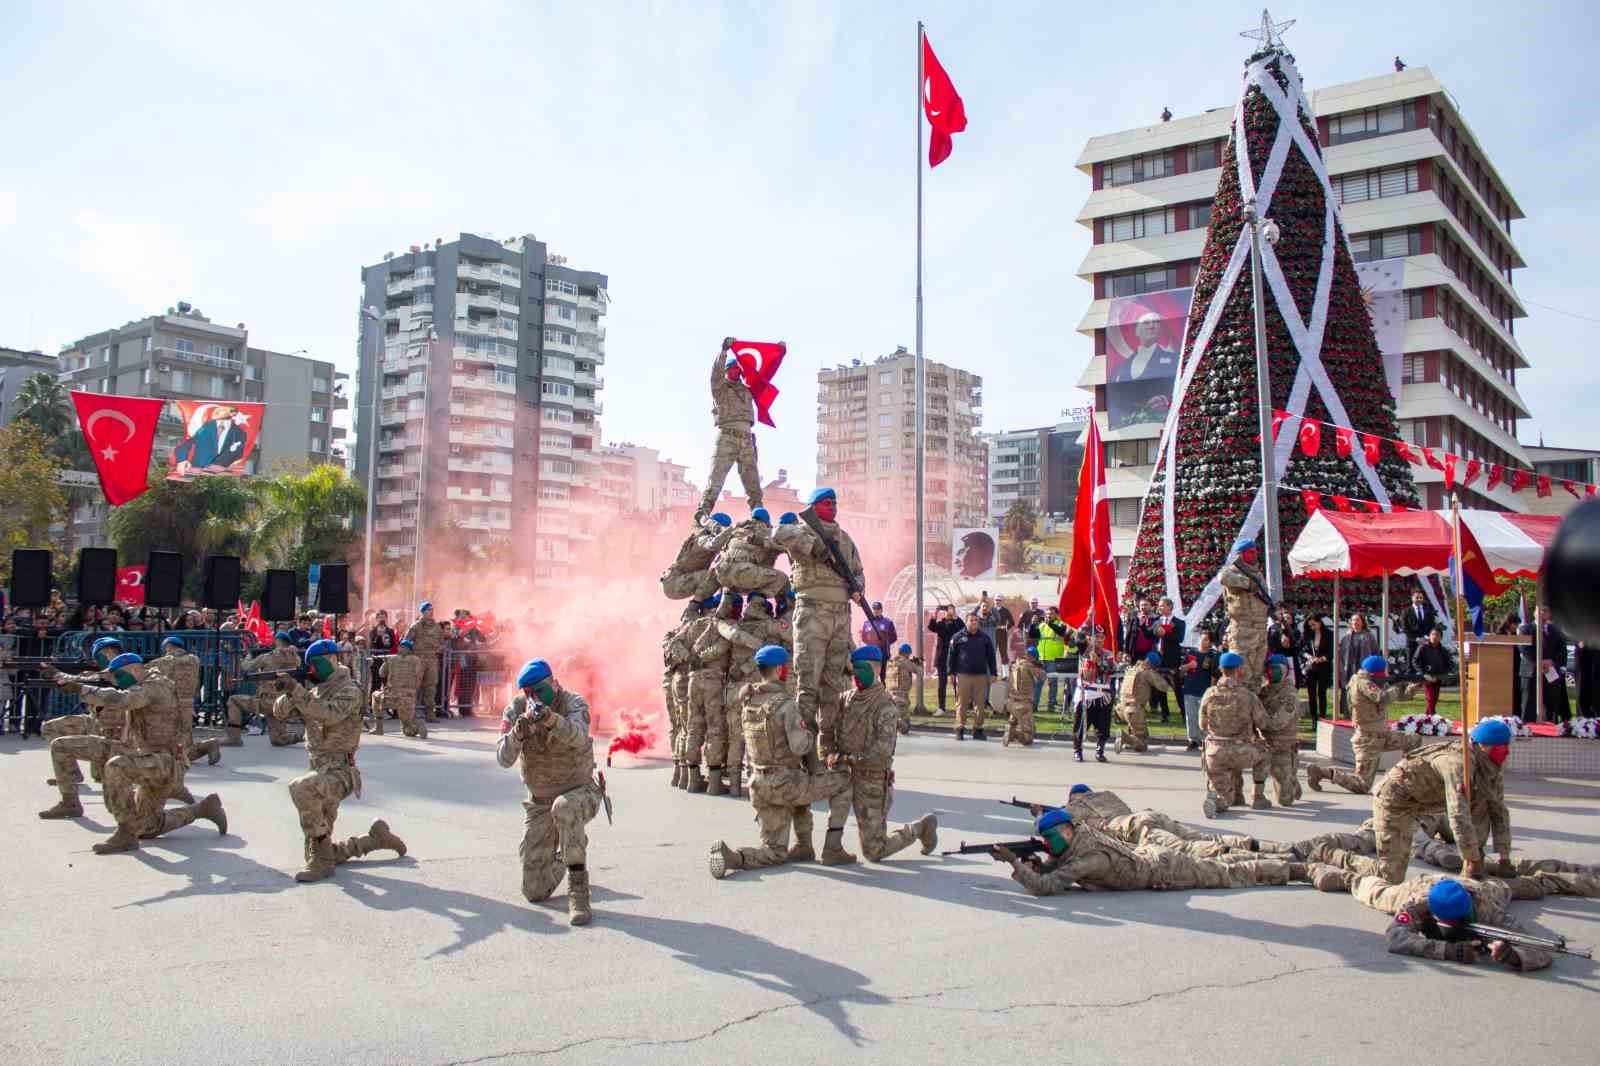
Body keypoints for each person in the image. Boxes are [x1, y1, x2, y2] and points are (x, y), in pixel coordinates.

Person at [54, 653, 228, 852]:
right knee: (62, 745)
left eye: (119, 676)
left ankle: (127, 834)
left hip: (163, 760)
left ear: (135, 670)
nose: (117, 681)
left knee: (117, 768)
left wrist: (83, 690)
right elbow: (110, 688)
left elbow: (126, 700)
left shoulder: (155, 686)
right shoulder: (141, 682)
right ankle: (70, 801)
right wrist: (71, 681)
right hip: (137, 751)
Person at [709, 646, 855, 878]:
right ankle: (833, 848)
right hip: (786, 784)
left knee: (775, 851)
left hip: (759, 784)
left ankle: (735, 857)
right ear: (779, 669)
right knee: (844, 780)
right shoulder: (786, 705)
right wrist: (811, 733)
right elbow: (800, 746)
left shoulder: (749, 701)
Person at [275, 639, 406, 883]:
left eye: (316, 664)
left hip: (340, 771)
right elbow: (280, 712)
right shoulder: (313, 691)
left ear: (333, 659)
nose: (313, 669)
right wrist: (289, 689)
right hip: (316, 768)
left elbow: (328, 714)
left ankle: (323, 862)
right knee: (317, 848)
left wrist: (297, 691)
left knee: (300, 788)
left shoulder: (350, 690)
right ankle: (373, 840)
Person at [496, 658, 603, 926]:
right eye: (528, 692)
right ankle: (567, 853)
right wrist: (517, 735)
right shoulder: (517, 710)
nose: (534, 698)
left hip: (579, 792)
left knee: (564, 809)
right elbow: (503, 759)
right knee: (534, 891)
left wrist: (552, 719)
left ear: (554, 683)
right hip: (540, 800)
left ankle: (578, 890)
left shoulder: (573, 703)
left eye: (539, 690)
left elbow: (579, 737)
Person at [993, 809, 1309, 896]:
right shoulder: (1081, 840)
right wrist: (1035, 864)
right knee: (1222, 859)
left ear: (1065, 832)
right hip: (1152, 856)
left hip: (1165, 869)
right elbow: (1056, 867)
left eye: (1050, 838)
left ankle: (1294, 869)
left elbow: (1049, 887)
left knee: (1230, 873)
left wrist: (1016, 865)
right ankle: (1286, 858)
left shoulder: (1090, 857)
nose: (1049, 845)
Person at [771, 489, 864, 760]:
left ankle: (828, 747)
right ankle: (805, 752)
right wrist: (812, 543)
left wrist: (858, 588)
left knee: (832, 685)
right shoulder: (801, 531)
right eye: (826, 503)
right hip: (812, 614)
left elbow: (857, 571)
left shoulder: (845, 539)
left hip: (840, 616)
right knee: (808, 685)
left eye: (834, 503)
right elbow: (777, 534)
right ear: (813, 507)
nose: (832, 507)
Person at [1364, 720, 1515, 886]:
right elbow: (1458, 813)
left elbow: (1498, 809)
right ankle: (1348, 870)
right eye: (1500, 746)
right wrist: (1470, 857)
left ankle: (1475, 860)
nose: (1506, 752)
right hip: (1395, 801)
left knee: (1483, 802)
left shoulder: (1490, 766)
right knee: (1391, 877)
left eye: (1507, 745)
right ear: (1481, 745)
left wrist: (1504, 857)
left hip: (1427, 802)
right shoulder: (1457, 764)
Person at [826, 646, 938, 862]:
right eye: (853, 669)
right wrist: (830, 752)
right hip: (843, 774)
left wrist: (846, 759)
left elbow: (881, 753)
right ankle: (832, 849)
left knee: (873, 851)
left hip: (872, 780)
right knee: (836, 808)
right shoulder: (846, 698)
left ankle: (920, 828)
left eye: (860, 669)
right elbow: (830, 728)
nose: (855, 674)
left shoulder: (885, 705)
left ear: (875, 670)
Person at [711, 591, 791, 798]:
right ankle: (757, 784)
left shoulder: (735, 627)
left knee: (736, 737)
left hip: (737, 689)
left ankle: (736, 785)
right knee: (761, 737)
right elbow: (792, 638)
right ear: (765, 606)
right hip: (761, 690)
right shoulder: (771, 627)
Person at [1307, 656, 1420, 795]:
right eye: (1383, 671)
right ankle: (1322, 773)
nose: (1386, 673)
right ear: (1376, 672)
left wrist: (1414, 686)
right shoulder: (1363, 683)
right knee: (1362, 785)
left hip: (1382, 735)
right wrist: (1396, 687)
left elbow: (1396, 696)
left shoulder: (1371, 682)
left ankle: (1406, 779)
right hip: (1368, 739)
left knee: (1413, 740)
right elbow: (1383, 698)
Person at [696, 341, 764, 519]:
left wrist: (779, 353)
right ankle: (702, 513)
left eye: (738, 368)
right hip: (728, 436)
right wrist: (723, 351)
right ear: (727, 371)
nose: (736, 371)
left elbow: (765, 375)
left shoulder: (747, 390)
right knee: (716, 479)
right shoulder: (720, 389)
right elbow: (715, 374)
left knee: (753, 483)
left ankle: (759, 516)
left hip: (746, 439)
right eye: (732, 368)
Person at [1199, 651, 1270, 817]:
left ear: (1220, 669)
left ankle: (1218, 800)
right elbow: (1263, 723)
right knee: (1265, 753)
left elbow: (1202, 725)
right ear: (1239, 670)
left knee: (1224, 797)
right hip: (1241, 752)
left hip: (1214, 754)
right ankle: (1258, 798)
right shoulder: (1247, 696)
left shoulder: (1209, 694)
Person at [688, 594, 740, 795]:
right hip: (714, 680)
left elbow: (677, 645)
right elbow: (728, 646)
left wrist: (693, 658)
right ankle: (714, 782)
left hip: (694, 679)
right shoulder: (725, 625)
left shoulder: (696, 624)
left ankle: (692, 779)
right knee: (715, 729)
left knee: (694, 726)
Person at [149, 635, 221, 772]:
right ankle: (208, 745)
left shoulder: (164, 661)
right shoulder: (194, 659)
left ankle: (207, 746)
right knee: (185, 735)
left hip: (172, 702)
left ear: (168, 647)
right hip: (188, 702)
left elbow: (143, 672)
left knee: (175, 742)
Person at [223, 632, 304, 747]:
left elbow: (247, 667)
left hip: (267, 701)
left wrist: (248, 656)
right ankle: (297, 736)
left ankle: (233, 737)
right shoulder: (296, 658)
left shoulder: (267, 657)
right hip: (284, 703)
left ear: (277, 641)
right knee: (277, 740)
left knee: (233, 700)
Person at [1219, 537, 1272, 688]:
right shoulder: (1232, 571)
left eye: (1255, 551)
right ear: (1241, 554)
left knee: (1257, 672)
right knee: (1241, 672)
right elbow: (1223, 577)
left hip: (1260, 628)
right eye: (1251, 552)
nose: (1255, 554)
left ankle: (1253, 705)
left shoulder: (1257, 574)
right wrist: (1247, 584)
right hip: (1243, 629)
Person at [660, 605, 699, 788]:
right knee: (688, 727)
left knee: (677, 727)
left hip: (672, 681)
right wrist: (691, 659)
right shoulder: (696, 630)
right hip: (685, 681)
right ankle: (687, 775)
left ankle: (679, 771)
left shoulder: (671, 635)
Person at [712, 508, 788, 599]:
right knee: (781, 578)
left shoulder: (735, 530)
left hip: (722, 573)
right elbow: (779, 547)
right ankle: (754, 606)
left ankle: (722, 610)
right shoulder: (766, 532)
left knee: (730, 588)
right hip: (742, 573)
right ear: (766, 521)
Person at [946, 610, 998, 741]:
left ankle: (978, 730)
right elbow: (951, 656)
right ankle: (960, 728)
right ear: (966, 622)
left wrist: (993, 673)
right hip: (963, 675)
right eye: (972, 620)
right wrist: (950, 672)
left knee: (980, 704)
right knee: (962, 703)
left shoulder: (984, 638)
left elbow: (991, 656)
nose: (974, 623)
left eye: (976, 621)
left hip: (980, 676)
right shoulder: (957, 637)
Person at [1258, 654, 1301, 807]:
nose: (1271, 673)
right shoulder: (1263, 691)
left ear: (1284, 671)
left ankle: (1291, 780)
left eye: (1275, 669)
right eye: (1269, 669)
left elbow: (1278, 722)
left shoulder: (1289, 695)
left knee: (1285, 800)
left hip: (1283, 746)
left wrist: (1259, 721)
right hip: (1264, 743)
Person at [663, 513, 736, 601]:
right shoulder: (702, 539)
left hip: (678, 580)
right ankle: (695, 606)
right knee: (714, 575)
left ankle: (709, 604)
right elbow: (713, 544)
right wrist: (730, 531)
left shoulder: (702, 533)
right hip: (674, 584)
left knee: (719, 573)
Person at [1519, 605, 1571, 723]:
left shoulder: (1556, 630)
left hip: (1551, 671)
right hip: (1531, 672)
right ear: (1534, 613)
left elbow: (1562, 650)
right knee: (1529, 702)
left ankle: (1552, 727)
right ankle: (1527, 727)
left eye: (1545, 610)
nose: (1542, 613)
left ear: (1550, 613)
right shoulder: (1525, 629)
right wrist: (1539, 662)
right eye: (1540, 610)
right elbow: (1524, 649)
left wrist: (1552, 662)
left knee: (1552, 701)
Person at [1114, 650, 1171, 754]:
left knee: (1143, 733)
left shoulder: (1133, 669)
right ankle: (1125, 738)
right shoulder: (1147, 672)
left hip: (1121, 708)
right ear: (1153, 665)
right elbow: (1164, 687)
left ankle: (1130, 740)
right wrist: (1162, 676)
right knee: (1142, 745)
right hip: (1134, 710)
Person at [1073, 632, 1115, 763]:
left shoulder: (1108, 654)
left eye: (1101, 638)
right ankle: (1078, 751)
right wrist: (1089, 617)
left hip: (1102, 694)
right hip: (1086, 694)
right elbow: (1077, 639)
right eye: (1096, 637)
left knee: (1103, 726)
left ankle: (1100, 750)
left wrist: (1099, 662)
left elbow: (1111, 670)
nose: (1098, 640)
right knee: (1081, 724)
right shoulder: (1084, 652)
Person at [372, 639, 427, 738]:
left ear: (399, 648)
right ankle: (417, 727)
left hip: (391, 696)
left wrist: (385, 662)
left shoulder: (392, 659)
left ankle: (378, 727)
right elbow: (419, 677)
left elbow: (381, 673)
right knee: (407, 729)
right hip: (408, 698)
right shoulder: (416, 660)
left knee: (375, 696)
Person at [404, 602, 446, 722]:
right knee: (414, 687)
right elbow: (406, 642)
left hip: (432, 660)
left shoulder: (437, 627)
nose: (431, 612)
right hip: (418, 659)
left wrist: (440, 648)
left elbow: (442, 641)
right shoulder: (416, 626)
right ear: (423, 612)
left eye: (432, 610)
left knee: (431, 687)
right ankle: (409, 713)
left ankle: (430, 714)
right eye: (428, 610)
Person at [1179, 631, 1219, 752]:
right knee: (1190, 716)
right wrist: (1188, 666)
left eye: (1206, 639)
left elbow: (1214, 675)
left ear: (1210, 642)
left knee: (1204, 717)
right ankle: (1193, 740)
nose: (1202, 641)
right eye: (1202, 639)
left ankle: (1205, 739)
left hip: (1204, 690)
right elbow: (1180, 671)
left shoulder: (1212, 655)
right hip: (1190, 688)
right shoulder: (1191, 653)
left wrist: (1211, 691)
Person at [1336, 612, 1380, 717]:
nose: (1355, 622)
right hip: (1348, 671)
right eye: (1353, 620)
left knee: (1363, 692)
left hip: (1364, 671)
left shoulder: (1369, 636)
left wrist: (1372, 669)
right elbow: (1340, 655)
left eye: (1357, 620)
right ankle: (1348, 715)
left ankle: (1363, 716)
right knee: (1348, 693)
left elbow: (1376, 653)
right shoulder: (1346, 637)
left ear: (1362, 622)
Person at [1029, 606, 1071, 713]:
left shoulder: (1060, 623)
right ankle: (1034, 704)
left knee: (1052, 682)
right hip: (1042, 658)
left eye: (1051, 614)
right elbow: (1032, 634)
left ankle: (1051, 704)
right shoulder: (1042, 625)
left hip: (1054, 658)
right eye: (1047, 614)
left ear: (1057, 614)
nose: (1048, 616)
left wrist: (1050, 624)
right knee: (1038, 682)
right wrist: (1033, 624)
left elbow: (1062, 632)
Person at [1150, 597, 1185, 725]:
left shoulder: (1179, 623)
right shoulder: (1156, 622)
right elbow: (1150, 635)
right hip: (1159, 661)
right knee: (1160, 689)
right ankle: (1165, 714)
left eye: (1162, 605)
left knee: (1177, 689)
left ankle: (1183, 713)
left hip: (1172, 661)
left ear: (1169, 607)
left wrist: (1165, 633)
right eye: (1159, 606)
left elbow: (1179, 638)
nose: (1159, 608)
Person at [925, 605, 963, 716]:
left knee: (957, 683)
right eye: (947, 611)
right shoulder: (941, 624)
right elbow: (932, 627)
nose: (949, 612)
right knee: (942, 684)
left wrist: (955, 616)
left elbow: (963, 628)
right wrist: (935, 614)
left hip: (955, 658)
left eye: (951, 610)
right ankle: (941, 708)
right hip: (942, 658)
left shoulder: (957, 624)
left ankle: (959, 706)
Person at [1004, 645, 1044, 747]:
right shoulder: (1029, 666)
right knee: (1028, 735)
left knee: (1014, 718)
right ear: (1032, 657)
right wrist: (1040, 666)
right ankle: (1015, 735)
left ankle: (1010, 728)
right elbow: (1042, 677)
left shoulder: (1014, 665)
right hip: (1024, 702)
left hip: (1011, 701)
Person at [1413, 627, 1453, 716]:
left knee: (1434, 699)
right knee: (1430, 698)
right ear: (1429, 636)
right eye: (1433, 634)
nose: (1434, 637)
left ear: (1441, 638)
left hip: (1438, 678)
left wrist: (1444, 674)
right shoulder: (1423, 647)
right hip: (1427, 677)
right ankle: (1432, 715)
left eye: (1437, 635)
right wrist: (1423, 673)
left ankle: (1428, 716)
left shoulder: (1443, 650)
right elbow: (1415, 661)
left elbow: (1449, 664)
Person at [1299, 615, 1332, 718]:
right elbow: (1301, 650)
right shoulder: (1307, 635)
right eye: (1310, 625)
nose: (1311, 627)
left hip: (1324, 667)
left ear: (1319, 623)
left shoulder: (1329, 634)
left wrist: (1321, 659)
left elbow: (1331, 651)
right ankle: (1314, 718)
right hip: (1310, 667)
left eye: (1313, 624)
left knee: (1322, 693)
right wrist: (1309, 657)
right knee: (1311, 693)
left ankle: (1322, 717)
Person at [883, 643, 921, 734]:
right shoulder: (905, 662)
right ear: (906, 653)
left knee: (892, 715)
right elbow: (919, 671)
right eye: (909, 654)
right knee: (905, 727)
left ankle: (890, 723)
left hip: (889, 695)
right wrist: (918, 664)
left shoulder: (891, 662)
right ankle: (897, 723)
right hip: (901, 697)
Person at [858, 601, 898, 678]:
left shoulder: (888, 622)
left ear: (881, 610)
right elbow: (863, 637)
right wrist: (871, 644)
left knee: (882, 676)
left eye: (878, 609)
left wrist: (885, 642)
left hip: (883, 653)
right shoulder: (867, 623)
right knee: (871, 676)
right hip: (871, 654)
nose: (876, 611)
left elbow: (894, 637)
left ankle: (883, 688)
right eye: (874, 609)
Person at [1399, 589, 1437, 665]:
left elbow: (1432, 626)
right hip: (1412, 642)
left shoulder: (1429, 611)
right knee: (1411, 665)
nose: (1419, 599)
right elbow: (1405, 628)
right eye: (1417, 597)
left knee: (1424, 664)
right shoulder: (1406, 611)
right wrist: (1416, 639)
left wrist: (1426, 637)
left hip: (1425, 642)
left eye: (1421, 598)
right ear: (1412, 598)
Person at [992, 597, 1015, 666]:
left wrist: (1005, 627)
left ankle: (1006, 674)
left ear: (1002, 601)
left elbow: (1012, 622)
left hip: (1003, 636)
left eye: (999, 600)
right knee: (991, 653)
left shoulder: (1005, 611)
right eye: (996, 600)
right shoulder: (990, 610)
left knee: (1004, 654)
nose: (997, 602)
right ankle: (992, 673)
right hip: (993, 635)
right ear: (994, 601)